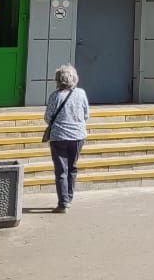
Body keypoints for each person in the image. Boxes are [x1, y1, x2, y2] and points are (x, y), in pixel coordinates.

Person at [44, 64, 89, 213]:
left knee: (61, 170)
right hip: (78, 136)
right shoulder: (81, 93)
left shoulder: (55, 96)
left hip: (59, 137)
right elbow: (86, 115)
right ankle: (69, 197)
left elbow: (48, 117)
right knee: (72, 167)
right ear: (74, 78)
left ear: (58, 79)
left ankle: (63, 203)